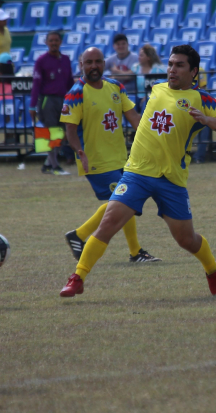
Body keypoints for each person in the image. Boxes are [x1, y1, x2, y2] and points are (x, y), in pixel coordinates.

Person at [60, 45, 216, 298]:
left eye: (180, 65)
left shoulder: (202, 99)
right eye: (170, 64)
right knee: (109, 222)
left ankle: (212, 269)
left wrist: (206, 120)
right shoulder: (156, 89)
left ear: (194, 71)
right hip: (137, 172)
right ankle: (78, 276)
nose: (172, 69)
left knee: (186, 240)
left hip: (170, 178)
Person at [60, 47, 161, 274]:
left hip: (120, 158)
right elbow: (70, 129)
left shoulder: (116, 86)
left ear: (104, 63)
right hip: (95, 161)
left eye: (98, 61)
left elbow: (133, 117)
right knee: (123, 202)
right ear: (82, 65)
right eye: (89, 62)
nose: (94, 66)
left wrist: (153, 139)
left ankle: (129, 250)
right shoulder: (76, 92)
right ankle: (84, 236)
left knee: (124, 202)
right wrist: (79, 151)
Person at [29, 31, 74, 176]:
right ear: (46, 42)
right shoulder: (41, 61)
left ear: (60, 42)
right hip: (47, 100)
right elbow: (36, 84)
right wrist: (32, 105)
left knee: (62, 133)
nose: (54, 43)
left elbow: (70, 82)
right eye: (51, 41)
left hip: (64, 100)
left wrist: (74, 100)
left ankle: (48, 164)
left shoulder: (66, 60)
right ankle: (55, 166)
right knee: (51, 132)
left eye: (56, 40)